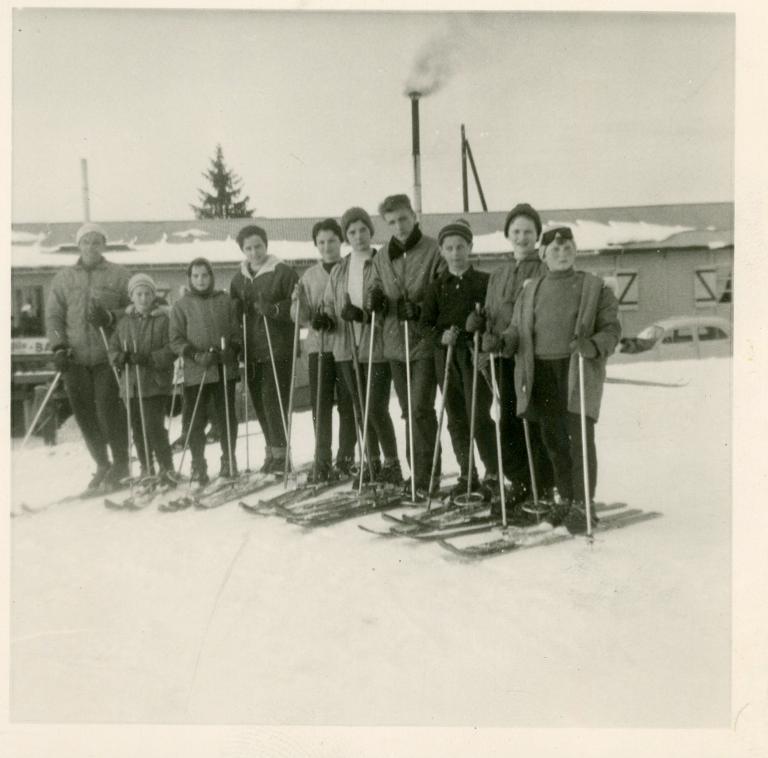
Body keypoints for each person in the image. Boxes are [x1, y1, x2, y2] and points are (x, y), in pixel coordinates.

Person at [500, 226, 621, 531]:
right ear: (543, 255)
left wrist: (592, 345)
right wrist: (501, 342)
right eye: (555, 250)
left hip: (575, 371)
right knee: (553, 441)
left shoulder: (595, 287)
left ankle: (583, 504)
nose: (562, 254)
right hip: (539, 372)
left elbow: (611, 330)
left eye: (568, 249)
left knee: (579, 438)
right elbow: (516, 330)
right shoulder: (530, 290)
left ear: (576, 251)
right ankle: (565, 498)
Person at [468, 202, 555, 509]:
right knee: (506, 421)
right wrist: (481, 328)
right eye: (516, 231)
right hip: (501, 360)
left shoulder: (545, 270)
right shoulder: (499, 274)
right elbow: (491, 314)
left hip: (531, 359)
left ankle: (542, 484)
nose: (521, 238)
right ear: (507, 234)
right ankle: (520, 480)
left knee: (532, 420)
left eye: (528, 231)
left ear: (537, 235)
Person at [366, 193, 445, 498]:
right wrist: (375, 296)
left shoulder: (433, 250)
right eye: (392, 222)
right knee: (407, 410)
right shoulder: (382, 256)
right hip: (394, 344)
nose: (399, 226)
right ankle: (421, 472)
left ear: (413, 216)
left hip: (424, 343)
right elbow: (375, 282)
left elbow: (442, 287)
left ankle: (426, 475)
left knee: (421, 409)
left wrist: (423, 307)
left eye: (403, 218)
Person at [45, 222, 131, 493]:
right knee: (84, 415)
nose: (91, 246)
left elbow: (134, 307)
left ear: (104, 244)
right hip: (75, 359)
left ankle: (121, 465)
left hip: (108, 356)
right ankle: (102, 464)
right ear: (79, 245)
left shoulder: (119, 275)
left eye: (96, 241)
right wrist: (58, 346)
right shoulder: (64, 278)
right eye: (86, 242)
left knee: (108, 411)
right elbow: (54, 316)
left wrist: (110, 317)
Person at [321, 207, 402, 485]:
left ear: (371, 231)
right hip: (346, 347)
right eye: (352, 232)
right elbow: (329, 305)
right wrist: (325, 319)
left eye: (363, 230)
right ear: (346, 236)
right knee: (359, 407)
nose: (358, 237)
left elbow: (388, 305)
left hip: (375, 346)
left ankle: (392, 464)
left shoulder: (382, 262)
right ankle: (372, 462)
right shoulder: (340, 269)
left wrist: (366, 315)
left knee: (376, 407)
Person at [421, 219, 497, 499]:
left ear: (470, 248)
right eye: (449, 248)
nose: (455, 253)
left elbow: (496, 318)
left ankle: (492, 472)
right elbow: (424, 324)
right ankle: (467, 473)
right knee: (455, 416)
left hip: (473, 356)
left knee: (478, 414)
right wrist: (441, 337)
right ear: (441, 250)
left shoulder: (484, 282)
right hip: (447, 357)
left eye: (461, 247)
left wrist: (481, 326)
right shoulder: (437, 287)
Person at [229, 225, 298, 474]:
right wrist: (236, 310)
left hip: (277, 347)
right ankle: (272, 451)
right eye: (248, 248)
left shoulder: (283, 272)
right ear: (242, 250)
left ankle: (282, 454)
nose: (254, 252)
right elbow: (233, 312)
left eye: (258, 246)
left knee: (273, 400)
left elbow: (297, 305)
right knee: (259, 400)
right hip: (252, 349)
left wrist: (273, 308)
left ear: (266, 245)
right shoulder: (239, 279)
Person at [293, 218, 357, 482]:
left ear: (340, 241)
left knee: (347, 403)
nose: (327, 246)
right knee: (320, 406)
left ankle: (345, 457)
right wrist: (300, 307)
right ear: (315, 245)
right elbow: (300, 315)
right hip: (318, 347)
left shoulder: (351, 268)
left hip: (346, 345)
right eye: (321, 242)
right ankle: (322, 459)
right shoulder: (309, 276)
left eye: (331, 240)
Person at [169, 257, 241, 485]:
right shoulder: (181, 305)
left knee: (226, 416)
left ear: (212, 276)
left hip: (222, 369)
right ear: (189, 279)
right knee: (195, 419)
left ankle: (229, 460)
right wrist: (194, 354)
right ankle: (198, 463)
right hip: (196, 371)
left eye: (205, 275)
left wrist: (232, 350)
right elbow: (175, 339)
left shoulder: (225, 300)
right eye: (196, 276)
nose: (201, 280)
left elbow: (236, 331)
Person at [109, 273, 177, 487]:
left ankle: (167, 468)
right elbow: (113, 349)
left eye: (148, 293)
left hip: (155, 383)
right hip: (131, 384)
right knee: (137, 428)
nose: (144, 298)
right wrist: (123, 358)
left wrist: (149, 358)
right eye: (139, 294)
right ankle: (147, 467)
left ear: (153, 295)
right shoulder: (124, 323)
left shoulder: (163, 320)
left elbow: (171, 348)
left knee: (153, 426)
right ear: (132, 296)